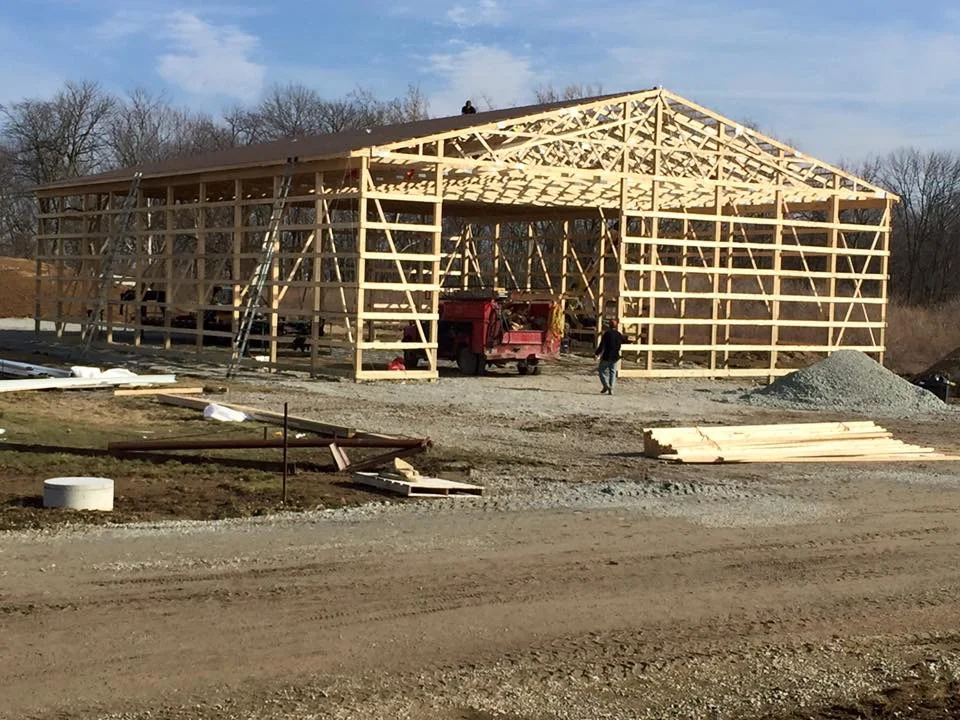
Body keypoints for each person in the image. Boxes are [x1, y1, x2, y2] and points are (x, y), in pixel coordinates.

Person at [594, 319, 625, 395]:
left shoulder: (606, 334)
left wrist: (597, 353)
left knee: (601, 371)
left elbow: (602, 345)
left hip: (607, 356)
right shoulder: (619, 334)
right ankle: (611, 387)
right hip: (615, 356)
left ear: (609, 325)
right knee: (612, 372)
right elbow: (623, 341)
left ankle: (606, 385)